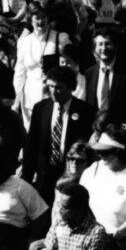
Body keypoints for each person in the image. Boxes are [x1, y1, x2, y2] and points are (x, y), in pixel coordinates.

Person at [23, 66, 93, 200]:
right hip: (44, 174)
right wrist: (27, 176)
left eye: (58, 87)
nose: (54, 92)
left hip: (70, 174)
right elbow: (31, 144)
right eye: (50, 86)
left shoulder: (85, 111)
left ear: (71, 87)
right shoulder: (41, 108)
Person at [13, 3, 69, 129]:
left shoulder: (59, 38)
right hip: (30, 96)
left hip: (52, 94)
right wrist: (16, 100)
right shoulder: (24, 42)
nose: (41, 21)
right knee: (31, 133)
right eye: (37, 17)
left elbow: (69, 67)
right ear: (30, 19)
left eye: (43, 16)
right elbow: (19, 73)